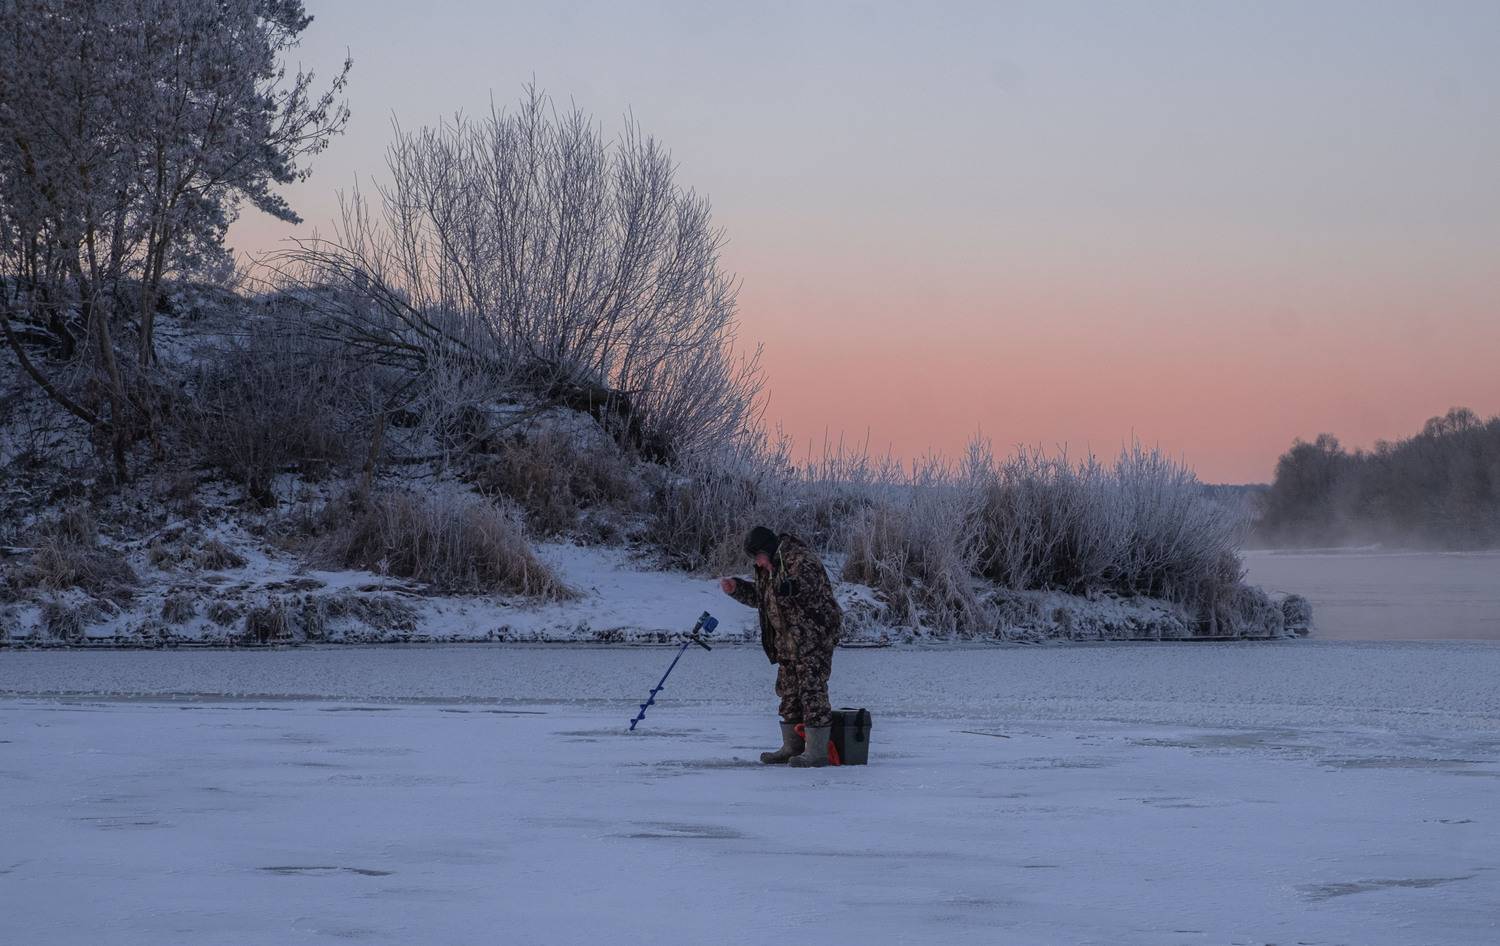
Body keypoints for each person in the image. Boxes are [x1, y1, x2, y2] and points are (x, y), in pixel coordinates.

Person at [720, 525, 842, 767]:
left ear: (766, 549)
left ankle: (817, 752)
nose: (756, 562)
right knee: (788, 694)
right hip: (787, 643)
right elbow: (763, 598)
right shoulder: (767, 567)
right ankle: (791, 748)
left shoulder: (801, 559)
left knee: (812, 692)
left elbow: (809, 588)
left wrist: (791, 588)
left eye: (757, 556)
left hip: (812, 640)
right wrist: (737, 589)